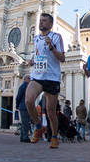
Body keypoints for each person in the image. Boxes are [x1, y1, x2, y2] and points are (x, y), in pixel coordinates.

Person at [24, 13, 65, 149]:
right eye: (40, 21)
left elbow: (62, 58)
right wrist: (32, 61)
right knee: (29, 100)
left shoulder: (56, 37)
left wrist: (52, 47)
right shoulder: (36, 38)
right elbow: (37, 55)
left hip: (52, 77)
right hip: (37, 76)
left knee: (50, 111)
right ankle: (38, 126)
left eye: (44, 21)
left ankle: (54, 136)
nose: (41, 23)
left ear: (51, 24)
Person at [16, 75, 31, 142]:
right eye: (29, 78)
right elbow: (18, 97)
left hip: (25, 106)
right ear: (25, 79)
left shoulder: (26, 86)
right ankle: (25, 137)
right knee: (25, 123)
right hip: (24, 106)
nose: (30, 80)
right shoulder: (23, 86)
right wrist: (17, 105)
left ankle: (22, 137)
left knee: (24, 122)